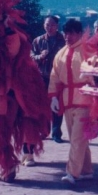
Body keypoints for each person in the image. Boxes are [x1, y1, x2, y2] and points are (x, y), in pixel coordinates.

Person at [48, 19, 94, 184]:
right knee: (80, 139)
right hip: (67, 101)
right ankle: (86, 170)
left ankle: (72, 173)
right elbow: (54, 76)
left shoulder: (88, 51)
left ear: (79, 34)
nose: (67, 36)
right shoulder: (60, 53)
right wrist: (53, 96)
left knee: (76, 139)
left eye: (72, 33)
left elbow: (97, 72)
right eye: (66, 33)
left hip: (84, 100)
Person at [32, 15, 66, 148]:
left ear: (57, 26)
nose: (49, 27)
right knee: (43, 105)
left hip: (57, 78)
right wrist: (40, 56)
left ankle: (56, 133)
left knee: (57, 105)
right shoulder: (38, 41)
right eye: (47, 25)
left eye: (52, 25)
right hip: (42, 77)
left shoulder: (63, 40)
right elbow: (31, 55)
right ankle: (44, 131)